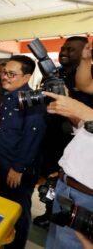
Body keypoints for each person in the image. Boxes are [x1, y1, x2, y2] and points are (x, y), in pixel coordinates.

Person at [34, 36, 93, 228]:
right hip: (51, 134)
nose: (64, 53)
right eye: (63, 48)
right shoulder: (53, 73)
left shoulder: (88, 76)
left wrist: (77, 114)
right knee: (51, 176)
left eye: (71, 50)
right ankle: (50, 213)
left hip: (73, 137)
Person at [0, 55, 47, 249]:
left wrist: (18, 168)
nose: (5, 77)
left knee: (18, 213)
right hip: (0, 163)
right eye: (4, 72)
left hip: (16, 170)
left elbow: (33, 138)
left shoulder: (32, 100)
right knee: (0, 208)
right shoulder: (8, 96)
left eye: (11, 74)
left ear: (26, 77)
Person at [42, 91, 93, 249]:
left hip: (86, 198)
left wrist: (83, 111)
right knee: (55, 241)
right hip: (66, 186)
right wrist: (71, 111)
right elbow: (85, 134)